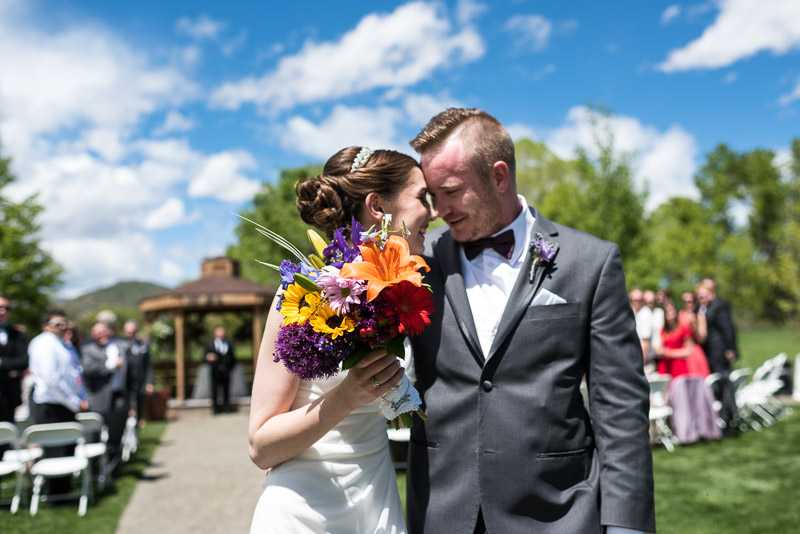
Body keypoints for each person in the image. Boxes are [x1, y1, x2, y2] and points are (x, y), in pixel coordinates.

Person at [406, 108, 655, 534]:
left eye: (450, 191)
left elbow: (620, 407)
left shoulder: (591, 262)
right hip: (441, 514)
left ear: (499, 177)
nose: (438, 211)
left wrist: (626, 525)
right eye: (431, 195)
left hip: (558, 516)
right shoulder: (417, 262)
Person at [249, 146, 435, 534]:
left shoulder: (405, 294)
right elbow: (260, 446)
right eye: (422, 197)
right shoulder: (303, 297)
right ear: (377, 206)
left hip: (377, 506)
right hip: (303, 513)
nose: (432, 213)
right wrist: (347, 396)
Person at [28, 309, 89, 494]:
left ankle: (64, 491)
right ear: (46, 326)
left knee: (67, 449)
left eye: (65, 323)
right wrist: (73, 402)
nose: (63, 326)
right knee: (56, 452)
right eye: (57, 324)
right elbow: (51, 379)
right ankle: (55, 495)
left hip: (63, 404)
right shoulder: (44, 343)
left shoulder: (60, 344)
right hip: (52, 406)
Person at [82, 320, 132, 472]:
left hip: (119, 398)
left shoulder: (122, 347)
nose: (99, 335)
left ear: (110, 331)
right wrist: (111, 366)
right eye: (96, 333)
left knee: (116, 435)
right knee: (93, 437)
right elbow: (88, 369)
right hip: (98, 399)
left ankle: (113, 469)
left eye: (102, 331)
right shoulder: (88, 349)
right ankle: (92, 471)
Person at [697, 278, 739, 429]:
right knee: (718, 384)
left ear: (711, 293)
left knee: (724, 383)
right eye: (699, 295)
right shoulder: (704, 308)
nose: (700, 298)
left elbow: (727, 328)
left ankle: (729, 416)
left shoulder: (719, 306)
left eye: (703, 295)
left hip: (719, 352)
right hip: (710, 353)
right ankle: (724, 415)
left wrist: (730, 349)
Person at [0, 293, 28, 426]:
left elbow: (23, 362)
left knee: (7, 439)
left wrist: (2, 362)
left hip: (9, 397)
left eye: (6, 308)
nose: (3, 311)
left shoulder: (17, 334)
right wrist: (10, 366)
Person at [124, 320, 153, 421]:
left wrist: (149, 382)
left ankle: (136, 431)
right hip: (126, 384)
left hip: (140, 383)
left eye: (132, 332)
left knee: (139, 409)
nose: (130, 335)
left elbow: (148, 365)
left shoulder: (143, 345)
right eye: (128, 332)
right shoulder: (121, 345)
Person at [204, 326, 236, 415]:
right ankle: (215, 408)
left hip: (226, 370)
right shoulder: (210, 344)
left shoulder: (229, 343)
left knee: (226, 389)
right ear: (215, 333)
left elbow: (233, 357)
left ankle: (226, 407)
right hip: (215, 371)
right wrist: (208, 358)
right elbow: (204, 356)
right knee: (214, 389)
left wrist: (230, 367)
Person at [679, 291, 710, 378]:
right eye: (685, 302)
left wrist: (694, 325)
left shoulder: (700, 316)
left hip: (694, 352)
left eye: (690, 301)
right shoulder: (680, 315)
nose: (688, 304)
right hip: (681, 352)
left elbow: (701, 339)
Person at [629, 286, 655, 373]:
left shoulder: (645, 314)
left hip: (643, 364)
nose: (636, 303)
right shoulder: (632, 313)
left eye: (639, 300)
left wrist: (638, 366)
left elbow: (645, 344)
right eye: (634, 300)